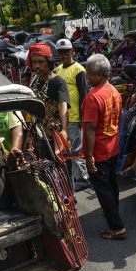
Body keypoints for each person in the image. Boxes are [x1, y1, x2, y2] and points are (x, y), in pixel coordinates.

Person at [82, 54, 125, 240]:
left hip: (99, 149)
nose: (87, 77)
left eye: (89, 74)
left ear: (99, 74)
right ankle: (112, 211)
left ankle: (117, 228)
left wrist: (89, 156)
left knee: (102, 188)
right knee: (111, 183)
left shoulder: (93, 97)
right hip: (113, 146)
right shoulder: (115, 92)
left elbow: (90, 129)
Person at [56, 39, 91, 191]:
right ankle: (71, 177)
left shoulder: (78, 70)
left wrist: (83, 118)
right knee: (66, 151)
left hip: (75, 117)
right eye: (60, 52)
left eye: (66, 51)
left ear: (72, 51)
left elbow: (84, 94)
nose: (63, 54)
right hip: (62, 117)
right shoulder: (58, 70)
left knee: (76, 150)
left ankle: (83, 180)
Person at [25, 43, 70, 150]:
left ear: (49, 63)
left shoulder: (58, 82)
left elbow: (62, 106)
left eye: (41, 62)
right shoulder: (34, 83)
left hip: (56, 136)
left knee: (60, 166)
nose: (37, 66)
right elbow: (32, 112)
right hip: (39, 138)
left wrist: (64, 130)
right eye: (34, 62)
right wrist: (29, 135)